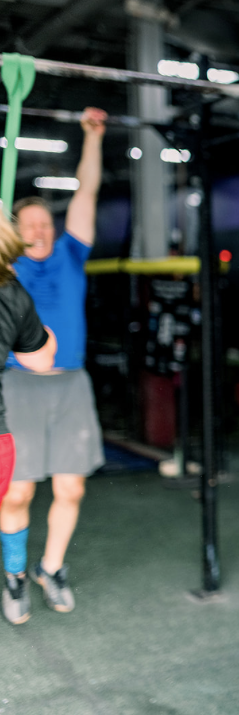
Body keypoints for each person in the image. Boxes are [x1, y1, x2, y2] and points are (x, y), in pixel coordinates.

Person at [1, 107, 107, 624]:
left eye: (45, 222)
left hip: (70, 385)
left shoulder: (70, 253)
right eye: (30, 225)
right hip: (17, 386)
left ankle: (51, 568)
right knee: (17, 491)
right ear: (14, 232)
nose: (40, 230)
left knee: (71, 488)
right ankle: (15, 574)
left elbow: (86, 193)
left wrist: (93, 137)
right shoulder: (5, 266)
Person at [0, 214, 58, 624]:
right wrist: (45, 335)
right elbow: (40, 358)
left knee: (15, 499)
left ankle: (15, 575)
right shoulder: (12, 293)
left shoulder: (12, 294)